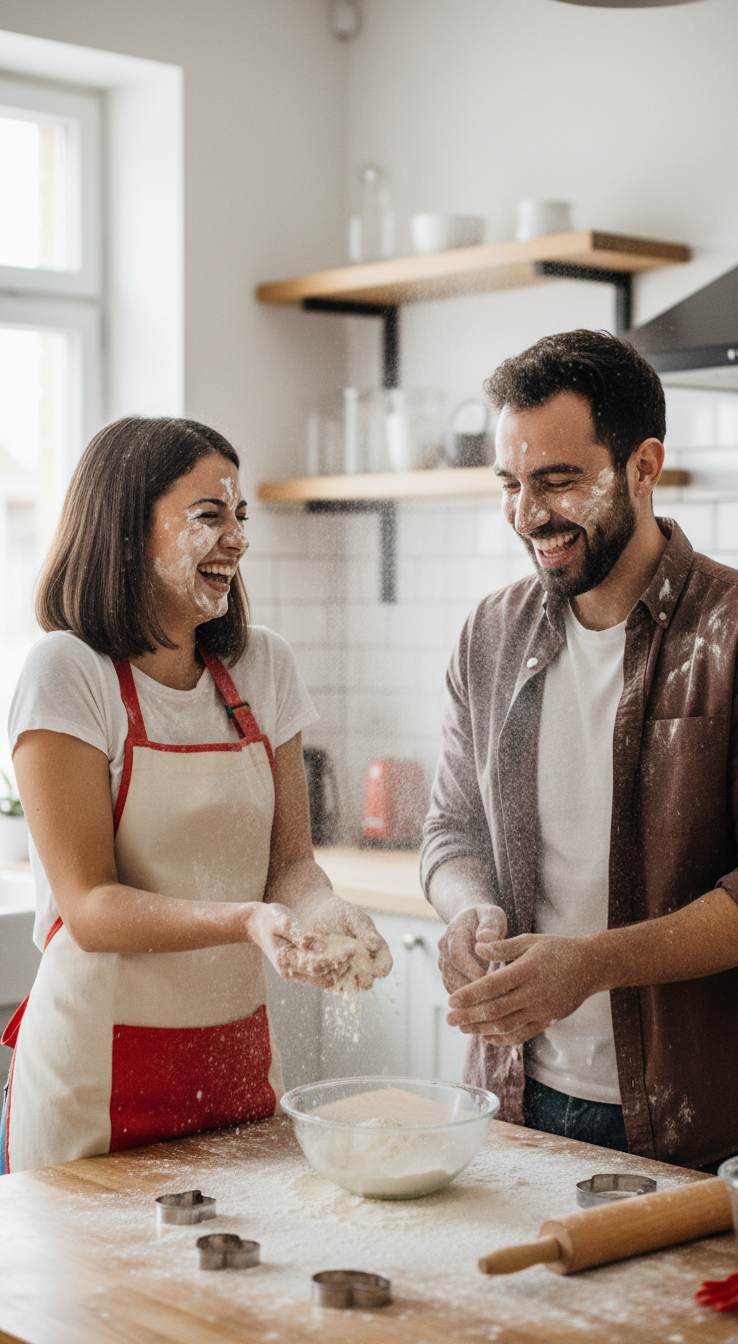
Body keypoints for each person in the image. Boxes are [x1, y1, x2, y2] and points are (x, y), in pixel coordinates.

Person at [1, 415, 390, 1174]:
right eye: (209, 515)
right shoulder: (67, 672)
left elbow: (291, 864)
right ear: (126, 528)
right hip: (93, 1079)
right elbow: (89, 906)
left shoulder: (263, 664)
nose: (237, 539)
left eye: (240, 516)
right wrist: (247, 920)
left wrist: (323, 910)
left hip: (234, 1061)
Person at [421, 329, 738, 1171]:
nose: (529, 514)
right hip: (515, 1103)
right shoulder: (490, 634)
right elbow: (451, 832)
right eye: (511, 483)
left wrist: (592, 965)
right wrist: (467, 908)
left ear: (644, 466)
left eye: (558, 481)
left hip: (707, 1125)